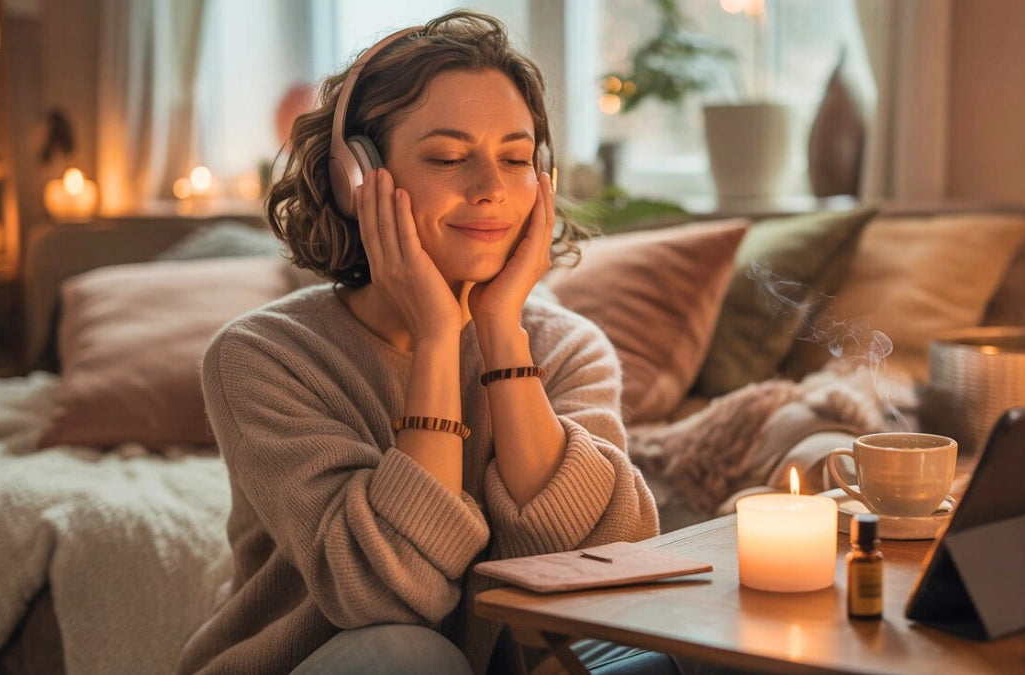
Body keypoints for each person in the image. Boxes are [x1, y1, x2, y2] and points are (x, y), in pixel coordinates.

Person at [176, 10, 667, 675]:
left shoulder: (570, 348)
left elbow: (600, 573)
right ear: (358, 179)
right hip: (347, 660)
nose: (492, 188)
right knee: (406, 653)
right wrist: (438, 338)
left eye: (516, 158)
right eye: (447, 156)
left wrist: (499, 332)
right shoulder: (261, 357)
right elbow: (385, 595)